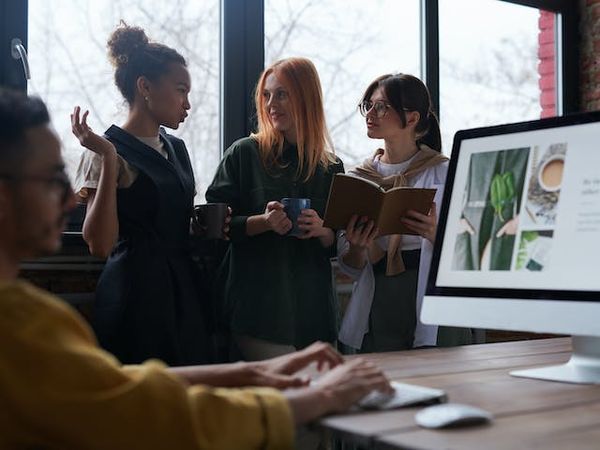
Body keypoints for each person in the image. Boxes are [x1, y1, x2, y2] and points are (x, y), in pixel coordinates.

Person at [0, 88, 392, 450]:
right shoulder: (19, 325)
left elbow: (121, 386)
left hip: (209, 294)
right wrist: (320, 397)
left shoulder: (31, 312)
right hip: (159, 294)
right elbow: (144, 414)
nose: (70, 198)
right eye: (53, 179)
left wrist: (254, 374)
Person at [72, 23, 214, 365]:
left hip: (182, 290)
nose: (188, 104)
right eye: (181, 90)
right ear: (145, 86)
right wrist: (107, 158)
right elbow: (100, 244)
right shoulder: (104, 150)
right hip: (134, 292)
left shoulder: (177, 149)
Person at [206, 57, 344, 361]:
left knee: (325, 400)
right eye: (266, 95)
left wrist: (323, 231)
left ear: (306, 97)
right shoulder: (244, 154)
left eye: (282, 94)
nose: (271, 104)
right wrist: (263, 222)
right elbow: (213, 228)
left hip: (317, 314)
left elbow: (338, 243)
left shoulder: (332, 168)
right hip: (258, 313)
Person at [337, 73, 472, 352]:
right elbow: (349, 265)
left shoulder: (445, 173)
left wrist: (437, 235)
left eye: (382, 106)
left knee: (440, 384)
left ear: (411, 119)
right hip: (380, 301)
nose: (371, 114)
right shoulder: (358, 179)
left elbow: (472, 252)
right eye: (368, 105)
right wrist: (357, 248)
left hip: (433, 301)